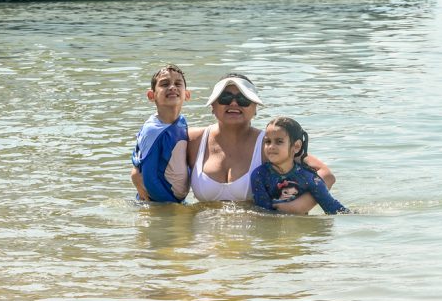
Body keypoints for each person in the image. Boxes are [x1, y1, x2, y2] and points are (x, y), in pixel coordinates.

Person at [188, 73, 336, 214]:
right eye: (225, 98)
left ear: (255, 108)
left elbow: (326, 175)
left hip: (255, 238)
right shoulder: (194, 140)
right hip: (205, 237)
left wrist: (299, 206)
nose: (233, 103)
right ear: (212, 105)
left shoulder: (268, 144)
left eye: (243, 99)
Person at [251, 117, 349, 215]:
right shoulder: (259, 175)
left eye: (279, 141)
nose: (271, 146)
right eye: (267, 141)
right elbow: (264, 213)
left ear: (296, 146)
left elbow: (332, 207)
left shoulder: (309, 178)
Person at [130, 64, 191, 202]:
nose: (172, 87)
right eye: (164, 84)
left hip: (176, 201)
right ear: (152, 95)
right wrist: (171, 205)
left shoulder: (182, 122)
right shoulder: (152, 130)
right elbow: (149, 179)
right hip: (155, 204)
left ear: (187, 94)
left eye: (178, 83)